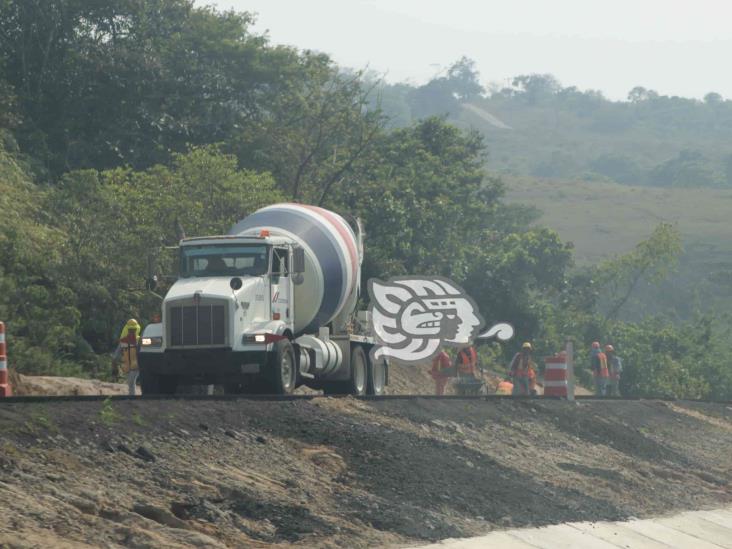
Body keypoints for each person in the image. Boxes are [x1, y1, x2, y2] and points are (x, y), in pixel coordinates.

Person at [118, 318, 141, 396]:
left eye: (133, 330)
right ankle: (131, 397)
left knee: (131, 381)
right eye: (130, 330)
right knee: (130, 383)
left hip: (136, 366)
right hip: (127, 366)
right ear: (127, 330)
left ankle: (132, 397)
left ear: (136, 330)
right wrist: (115, 361)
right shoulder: (123, 341)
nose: (132, 331)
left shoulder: (139, 341)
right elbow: (118, 352)